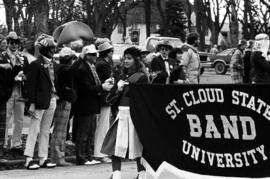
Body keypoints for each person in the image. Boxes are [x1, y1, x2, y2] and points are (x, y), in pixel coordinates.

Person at [101, 47, 149, 179]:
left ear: (136, 60)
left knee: (138, 147)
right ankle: (116, 175)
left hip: (134, 116)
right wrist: (118, 89)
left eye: (129, 58)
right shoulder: (121, 76)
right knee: (115, 147)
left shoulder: (142, 77)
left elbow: (143, 100)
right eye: (125, 58)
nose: (126, 61)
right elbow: (110, 99)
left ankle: (142, 174)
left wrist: (127, 89)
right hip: (120, 115)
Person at [73, 44, 113, 165]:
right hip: (85, 104)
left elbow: (93, 83)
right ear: (86, 56)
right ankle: (81, 157)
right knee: (83, 133)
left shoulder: (91, 67)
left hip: (91, 104)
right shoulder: (82, 69)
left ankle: (89, 156)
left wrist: (102, 83)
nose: (95, 56)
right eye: (92, 54)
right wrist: (102, 87)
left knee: (90, 132)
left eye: (95, 54)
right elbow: (86, 88)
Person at [24, 34, 58, 169]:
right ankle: (29, 158)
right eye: (51, 48)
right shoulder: (35, 64)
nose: (53, 51)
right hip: (38, 101)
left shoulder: (52, 64)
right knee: (34, 130)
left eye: (53, 48)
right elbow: (30, 86)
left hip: (52, 99)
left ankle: (43, 158)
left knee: (45, 130)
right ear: (44, 49)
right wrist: (31, 103)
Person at [2, 31, 29, 154]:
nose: (14, 45)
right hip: (8, 91)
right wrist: (12, 77)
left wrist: (24, 77)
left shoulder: (23, 57)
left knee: (19, 119)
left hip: (20, 91)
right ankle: (4, 143)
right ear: (7, 43)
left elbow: (28, 72)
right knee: (6, 118)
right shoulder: (2, 56)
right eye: (12, 42)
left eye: (16, 43)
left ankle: (16, 144)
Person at [50, 47, 77, 166]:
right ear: (70, 59)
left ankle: (58, 156)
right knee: (60, 131)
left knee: (59, 130)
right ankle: (58, 157)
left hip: (59, 100)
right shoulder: (67, 69)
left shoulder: (58, 67)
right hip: (64, 101)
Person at [94, 41, 114, 163]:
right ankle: (100, 153)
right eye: (111, 50)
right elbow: (109, 81)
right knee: (103, 126)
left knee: (102, 125)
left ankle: (100, 152)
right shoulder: (103, 65)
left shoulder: (100, 63)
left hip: (102, 97)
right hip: (104, 97)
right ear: (108, 52)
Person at [0, 48, 13, 162]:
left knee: (1, 128)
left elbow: (8, 77)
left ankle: (0, 155)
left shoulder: (4, 56)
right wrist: (2, 66)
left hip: (2, 96)